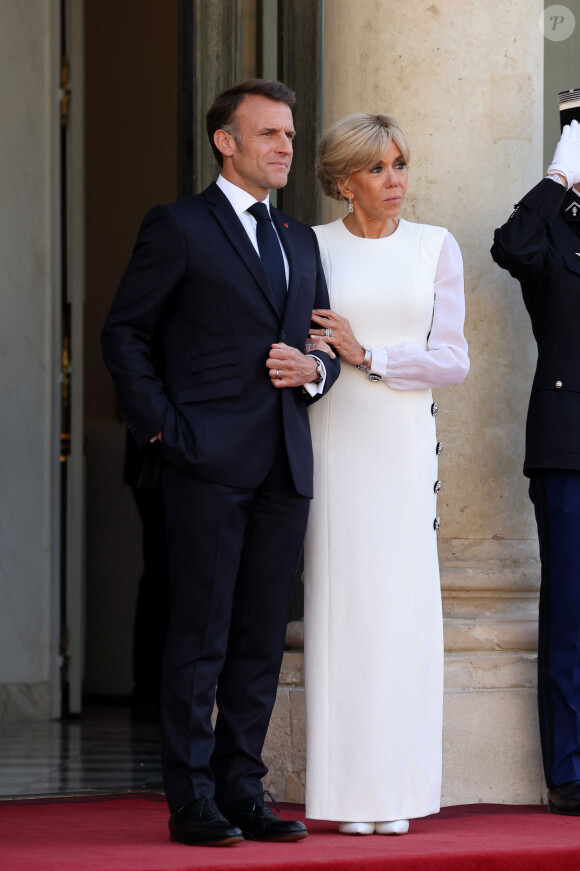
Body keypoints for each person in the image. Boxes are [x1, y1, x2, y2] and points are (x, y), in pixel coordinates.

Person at [101, 78, 340, 847]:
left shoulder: (301, 240)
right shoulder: (177, 226)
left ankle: (243, 789)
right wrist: (166, 430)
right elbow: (124, 334)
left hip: (283, 464)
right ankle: (191, 797)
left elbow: (323, 344)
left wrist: (317, 372)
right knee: (198, 637)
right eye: (269, 134)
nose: (285, 148)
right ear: (225, 141)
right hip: (204, 459)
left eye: (291, 136)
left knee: (261, 639)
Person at [303, 113, 469, 835]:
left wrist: (368, 355)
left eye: (400, 163)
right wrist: (327, 360)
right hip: (332, 437)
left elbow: (452, 360)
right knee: (343, 609)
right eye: (377, 168)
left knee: (401, 613)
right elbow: (304, 345)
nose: (395, 179)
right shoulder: (311, 247)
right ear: (344, 180)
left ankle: (399, 793)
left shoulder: (437, 245)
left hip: (401, 441)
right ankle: (344, 796)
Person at [491, 116, 580, 816]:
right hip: (570, 446)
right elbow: (509, 245)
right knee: (572, 611)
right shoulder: (554, 233)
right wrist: (558, 176)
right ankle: (571, 768)